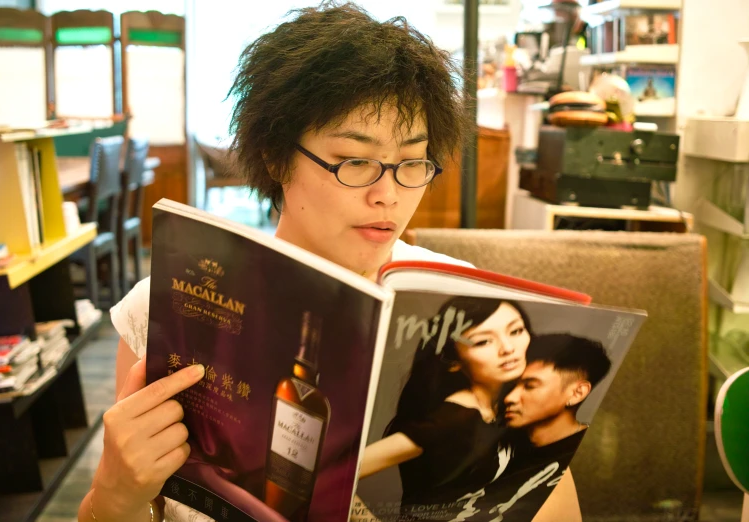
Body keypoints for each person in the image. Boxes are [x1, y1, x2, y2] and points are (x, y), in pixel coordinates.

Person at [78, 3, 582, 521]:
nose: (388, 195)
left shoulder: (475, 308)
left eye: (412, 163)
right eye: (355, 161)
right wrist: (117, 496)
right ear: (277, 156)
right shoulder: (164, 305)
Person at [356, 297, 533, 520]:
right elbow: (334, 476)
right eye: (482, 342)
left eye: (516, 331)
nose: (508, 348)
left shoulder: (502, 409)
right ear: (453, 360)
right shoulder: (454, 419)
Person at [465, 333, 612, 522]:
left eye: (530, 386)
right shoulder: (503, 447)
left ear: (577, 393)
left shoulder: (588, 459)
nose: (510, 397)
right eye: (513, 385)